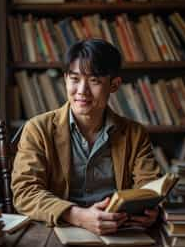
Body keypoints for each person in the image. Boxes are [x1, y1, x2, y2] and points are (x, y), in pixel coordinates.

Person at [11, 39, 160, 235]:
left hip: (118, 229)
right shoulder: (38, 129)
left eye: (94, 80)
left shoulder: (134, 133)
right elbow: (25, 192)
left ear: (114, 84)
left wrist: (151, 210)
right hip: (56, 229)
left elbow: (147, 186)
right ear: (65, 79)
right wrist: (77, 215)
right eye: (74, 79)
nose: (81, 91)